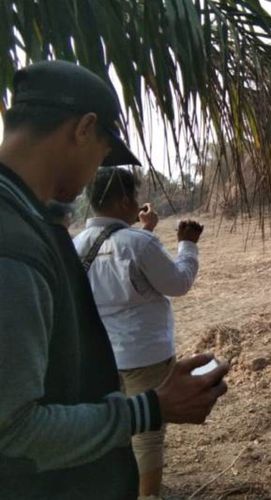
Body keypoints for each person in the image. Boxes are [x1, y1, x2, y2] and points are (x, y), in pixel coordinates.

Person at [0, 60, 228, 500]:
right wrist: (149, 407)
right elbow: (14, 430)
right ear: (84, 129)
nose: (94, 173)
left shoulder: (37, 224)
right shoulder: (14, 245)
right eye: (104, 153)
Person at [73, 167, 204, 497]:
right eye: (133, 197)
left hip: (101, 355)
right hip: (145, 355)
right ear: (121, 200)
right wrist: (188, 245)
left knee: (117, 424)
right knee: (148, 431)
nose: (138, 204)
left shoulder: (76, 245)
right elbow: (178, 283)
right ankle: (148, 494)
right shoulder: (138, 244)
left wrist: (145, 229)